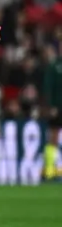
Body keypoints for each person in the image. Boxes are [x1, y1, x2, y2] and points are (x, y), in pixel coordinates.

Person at [43, 45, 62, 181]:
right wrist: (51, 106)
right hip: (58, 107)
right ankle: (50, 168)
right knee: (53, 136)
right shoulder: (54, 65)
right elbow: (48, 87)